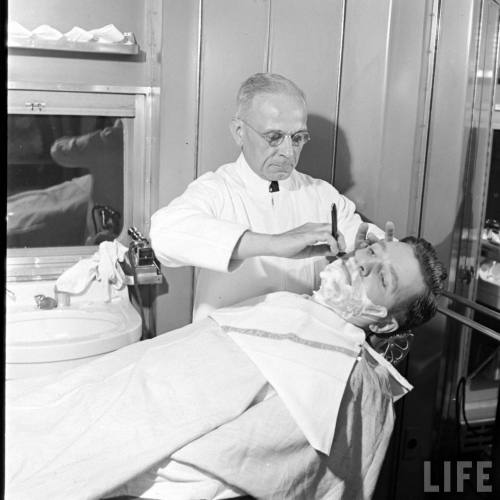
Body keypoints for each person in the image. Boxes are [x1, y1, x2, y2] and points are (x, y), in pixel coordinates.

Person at [5, 236, 446, 500]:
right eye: (371, 249)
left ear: (386, 320)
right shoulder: (285, 304)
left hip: (133, 439)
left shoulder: (345, 381)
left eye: (383, 278)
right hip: (109, 392)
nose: (364, 261)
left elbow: (244, 460)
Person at [150, 73, 387, 321]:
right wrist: (274, 243)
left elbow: (364, 239)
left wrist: (376, 252)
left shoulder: (320, 195)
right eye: (274, 137)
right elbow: (164, 235)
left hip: (298, 344)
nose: (288, 152)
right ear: (239, 132)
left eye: (297, 138)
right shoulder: (217, 189)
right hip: (226, 347)